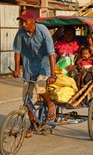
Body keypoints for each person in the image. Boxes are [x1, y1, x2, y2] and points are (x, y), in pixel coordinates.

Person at [13, 10, 56, 138]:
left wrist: (53, 75)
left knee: (40, 86)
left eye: (25, 21)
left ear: (32, 20)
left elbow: (51, 54)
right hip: (28, 68)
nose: (23, 24)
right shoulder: (21, 32)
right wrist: (17, 69)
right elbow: (17, 50)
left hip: (43, 66)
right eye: (22, 21)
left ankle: (50, 104)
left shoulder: (43, 31)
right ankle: (32, 125)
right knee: (26, 99)